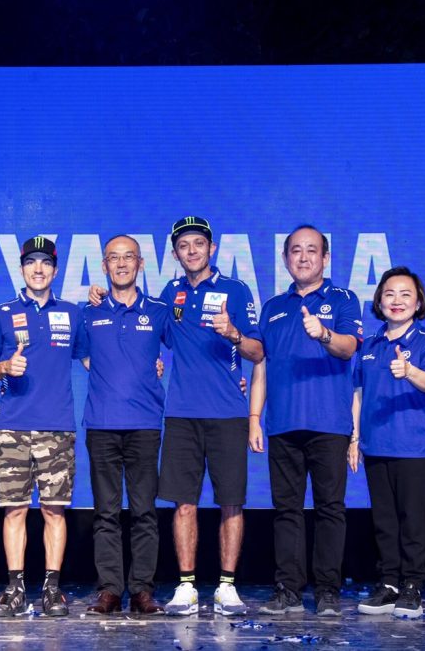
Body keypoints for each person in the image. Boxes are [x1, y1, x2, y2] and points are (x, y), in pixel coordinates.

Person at [249, 225, 362, 617]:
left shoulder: (343, 299)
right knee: (286, 511)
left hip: (329, 423)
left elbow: (348, 348)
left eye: (311, 250)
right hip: (282, 423)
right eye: (295, 250)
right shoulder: (272, 307)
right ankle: (288, 590)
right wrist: (254, 417)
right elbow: (261, 366)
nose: (303, 257)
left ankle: (328, 591)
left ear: (325, 258)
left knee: (330, 508)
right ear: (285, 259)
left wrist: (324, 333)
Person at [155, 216, 263, 616]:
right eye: (184, 246)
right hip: (182, 414)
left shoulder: (236, 290)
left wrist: (234, 333)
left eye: (199, 243)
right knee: (183, 503)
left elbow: (257, 351)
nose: (192, 251)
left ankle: (226, 587)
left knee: (231, 502)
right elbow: (149, 335)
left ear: (212, 248)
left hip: (227, 414)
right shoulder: (170, 293)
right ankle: (186, 586)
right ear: (175, 254)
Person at [0, 236, 88, 617]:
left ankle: (52, 589)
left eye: (45, 263)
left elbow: (92, 360)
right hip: (13, 428)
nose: (38, 269)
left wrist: (148, 367)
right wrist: (4, 369)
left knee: (54, 511)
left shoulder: (72, 314)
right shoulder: (2, 313)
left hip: (58, 428)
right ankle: (15, 588)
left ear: (55, 270)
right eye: (30, 262)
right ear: (21, 268)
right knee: (15, 511)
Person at [81, 235, 170, 615]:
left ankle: (142, 590)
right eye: (113, 258)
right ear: (104, 266)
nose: (121, 264)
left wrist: (236, 378)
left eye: (128, 257)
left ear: (140, 264)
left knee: (144, 511)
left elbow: (190, 349)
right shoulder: (88, 313)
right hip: (101, 424)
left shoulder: (160, 311)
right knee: (106, 512)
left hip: (145, 424)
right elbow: (82, 355)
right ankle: (110, 590)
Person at [351, 267, 425, 619]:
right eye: (389, 294)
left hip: (414, 447)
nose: (397, 301)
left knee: (412, 520)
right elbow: (358, 393)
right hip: (376, 445)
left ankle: (412, 585)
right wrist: (354, 438)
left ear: (418, 302)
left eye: (406, 294)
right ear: (379, 301)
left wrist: (409, 371)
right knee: (384, 520)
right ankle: (389, 583)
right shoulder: (370, 345)